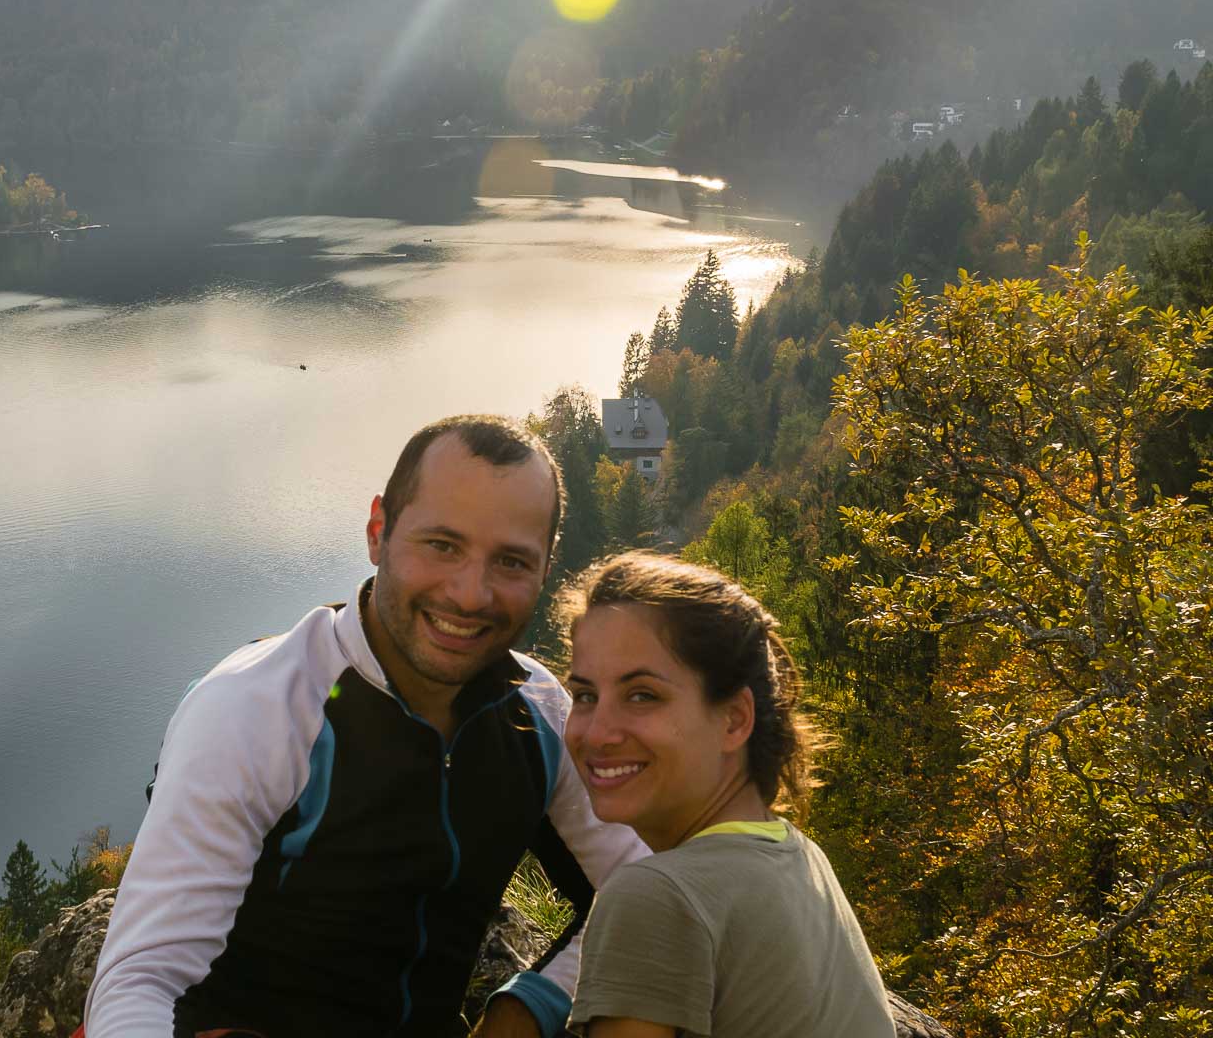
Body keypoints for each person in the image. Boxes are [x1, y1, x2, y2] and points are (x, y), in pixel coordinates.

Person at [85, 415, 648, 1038]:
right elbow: (140, 981)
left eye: (511, 561)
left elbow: (649, 888)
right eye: (442, 545)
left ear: (545, 569)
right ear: (379, 531)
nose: (469, 594)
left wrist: (534, 1001)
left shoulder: (539, 715)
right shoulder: (259, 708)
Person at [557, 553, 896, 1038]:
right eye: (585, 695)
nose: (597, 733)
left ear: (734, 719)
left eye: (642, 695)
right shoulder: (800, 859)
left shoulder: (657, 894)